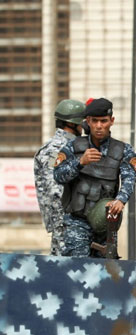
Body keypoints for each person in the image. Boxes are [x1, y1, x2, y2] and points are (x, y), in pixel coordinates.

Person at [53, 98, 136, 257]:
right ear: (88, 121)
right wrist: (79, 162)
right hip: (77, 222)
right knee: (77, 270)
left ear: (112, 121)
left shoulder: (123, 150)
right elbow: (58, 175)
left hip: (105, 225)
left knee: (106, 273)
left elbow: (130, 178)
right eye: (95, 121)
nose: (99, 126)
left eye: (104, 121)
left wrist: (121, 199)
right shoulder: (73, 147)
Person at [34, 99, 85, 255]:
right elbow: (55, 188)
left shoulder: (72, 146)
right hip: (67, 227)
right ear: (73, 124)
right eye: (82, 122)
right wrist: (64, 225)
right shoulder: (56, 149)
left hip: (71, 226)